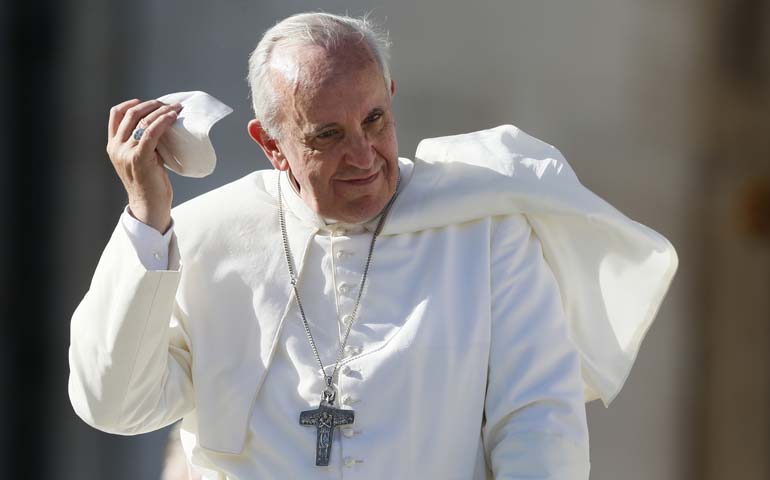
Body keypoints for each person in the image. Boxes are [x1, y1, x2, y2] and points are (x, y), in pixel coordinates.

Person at [68, 12, 678, 479]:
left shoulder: (486, 228)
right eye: (327, 135)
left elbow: (539, 421)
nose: (362, 156)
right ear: (270, 143)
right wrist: (148, 220)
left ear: (391, 93)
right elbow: (116, 404)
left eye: (375, 120)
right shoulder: (205, 238)